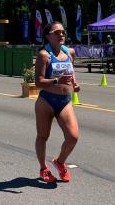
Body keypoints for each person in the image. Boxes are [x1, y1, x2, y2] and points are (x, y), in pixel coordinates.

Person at [34, 21, 80, 183]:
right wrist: (56, 81)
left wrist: (74, 83)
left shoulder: (70, 52)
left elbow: (70, 70)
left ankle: (59, 162)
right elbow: (38, 82)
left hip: (64, 101)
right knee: (43, 136)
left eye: (62, 32)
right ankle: (43, 168)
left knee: (73, 136)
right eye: (56, 32)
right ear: (48, 36)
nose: (61, 34)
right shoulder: (44, 55)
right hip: (46, 101)